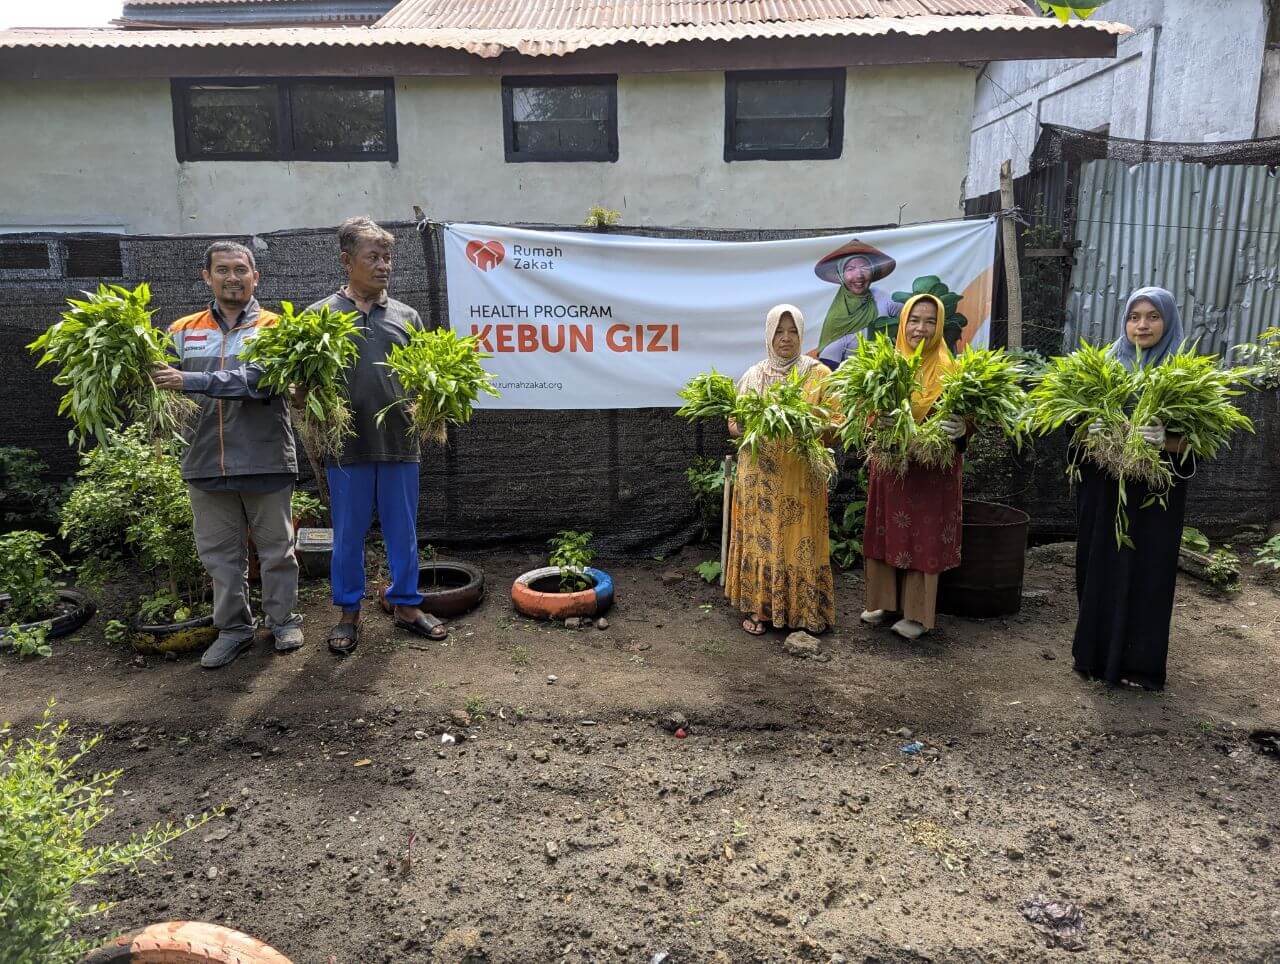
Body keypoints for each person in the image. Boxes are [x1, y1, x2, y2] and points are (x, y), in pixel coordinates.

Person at [151, 241, 303, 669]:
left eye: (241, 270)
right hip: (204, 459)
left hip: (265, 456)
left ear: (256, 277)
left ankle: (283, 621)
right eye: (222, 270)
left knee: (277, 550)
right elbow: (159, 383)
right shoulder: (181, 330)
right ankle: (234, 629)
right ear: (207, 276)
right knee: (219, 556)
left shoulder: (276, 327)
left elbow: (260, 380)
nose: (232, 278)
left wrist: (189, 380)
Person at [313, 216, 446, 656]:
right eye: (373, 257)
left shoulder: (407, 316)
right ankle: (348, 613)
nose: (384, 265)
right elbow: (304, 382)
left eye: (387, 257)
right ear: (346, 260)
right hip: (345, 446)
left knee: (402, 531)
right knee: (347, 535)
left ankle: (406, 604)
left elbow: (427, 375)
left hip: (399, 443)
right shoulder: (320, 317)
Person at [1072, 286, 1190, 691]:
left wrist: (1166, 441)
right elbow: (1071, 428)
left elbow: (1200, 442)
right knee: (1099, 565)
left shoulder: (1183, 373)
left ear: (1167, 322)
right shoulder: (1102, 366)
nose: (1142, 325)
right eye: (1134, 317)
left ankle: (1140, 665)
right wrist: (1088, 429)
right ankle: (1092, 657)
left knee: (1149, 571)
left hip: (1156, 496)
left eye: (1153, 317)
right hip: (1104, 489)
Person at [725, 304, 838, 636]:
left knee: (800, 539)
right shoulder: (753, 376)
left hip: (801, 477)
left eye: (792, 331)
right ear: (768, 335)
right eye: (778, 331)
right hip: (759, 478)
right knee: (762, 541)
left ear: (801, 335)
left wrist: (814, 426)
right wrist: (742, 426)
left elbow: (838, 422)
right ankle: (760, 608)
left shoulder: (818, 375)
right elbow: (733, 422)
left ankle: (805, 613)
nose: (785, 338)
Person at [860, 294, 967, 641]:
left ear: (940, 326)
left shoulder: (951, 370)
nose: (921, 328)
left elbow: (971, 415)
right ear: (903, 323)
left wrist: (963, 428)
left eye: (930, 321)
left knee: (923, 533)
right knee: (886, 528)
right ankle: (883, 602)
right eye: (914, 320)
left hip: (931, 471)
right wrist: (876, 420)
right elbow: (864, 411)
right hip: (893, 465)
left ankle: (917, 614)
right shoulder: (887, 366)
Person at [813, 241, 901, 360]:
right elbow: (827, 359)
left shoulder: (884, 298)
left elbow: (909, 320)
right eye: (850, 269)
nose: (859, 275)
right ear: (841, 275)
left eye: (865, 267)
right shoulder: (836, 316)